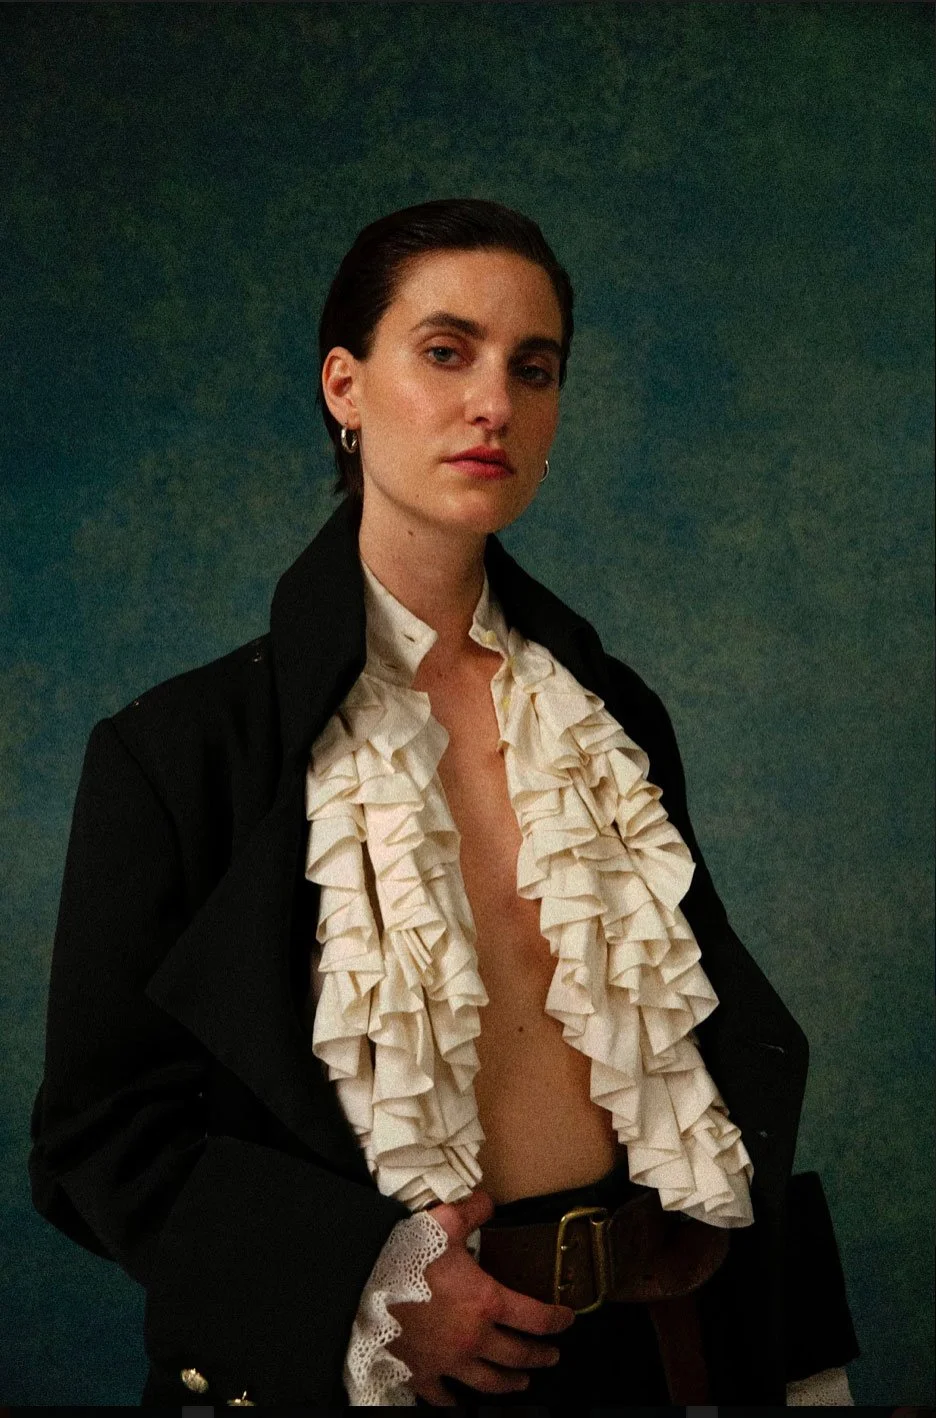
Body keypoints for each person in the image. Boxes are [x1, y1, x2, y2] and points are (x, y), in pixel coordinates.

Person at [29, 198, 859, 1408]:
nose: (494, 403)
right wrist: (364, 1285)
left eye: (534, 368)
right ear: (345, 386)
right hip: (372, 1378)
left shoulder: (607, 715)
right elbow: (97, 1135)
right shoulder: (178, 752)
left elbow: (696, 1060)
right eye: (445, 350)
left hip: (639, 1354)